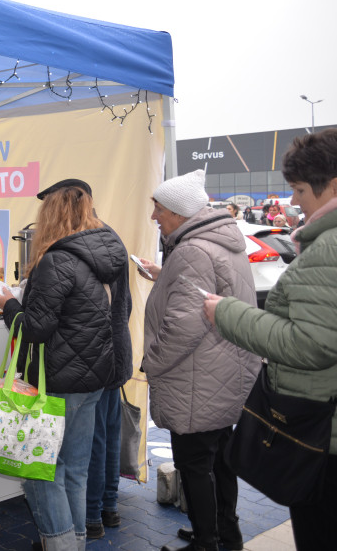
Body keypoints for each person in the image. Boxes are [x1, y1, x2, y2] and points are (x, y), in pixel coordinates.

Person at [204, 128, 337, 550]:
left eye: (299, 189)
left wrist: (226, 313)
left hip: (320, 431)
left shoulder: (329, 248)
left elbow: (313, 345)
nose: (294, 201)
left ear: (331, 185)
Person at [0, 184, 126, 551]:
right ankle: (76, 542)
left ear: (51, 214)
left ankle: (62, 545)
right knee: (74, 470)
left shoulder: (57, 260)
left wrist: (7, 303)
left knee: (41, 472)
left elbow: (36, 328)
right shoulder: (104, 255)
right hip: (93, 380)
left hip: (59, 382)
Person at [135, 169, 260, 551]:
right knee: (220, 457)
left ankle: (206, 541)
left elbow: (184, 326)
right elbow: (205, 296)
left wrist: (150, 362)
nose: (154, 216)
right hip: (223, 372)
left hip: (196, 378)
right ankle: (227, 532)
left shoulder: (191, 250)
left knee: (194, 463)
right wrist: (164, 275)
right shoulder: (217, 242)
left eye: (158, 208)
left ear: (178, 211)